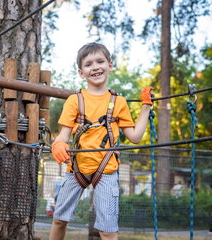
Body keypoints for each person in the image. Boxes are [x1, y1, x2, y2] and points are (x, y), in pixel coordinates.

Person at [49, 42, 153, 240]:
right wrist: (58, 144)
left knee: (107, 230)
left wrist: (146, 106)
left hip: (106, 170)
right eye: (89, 64)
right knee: (59, 220)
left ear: (110, 65)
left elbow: (135, 137)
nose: (95, 67)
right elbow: (64, 134)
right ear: (81, 72)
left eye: (100, 61)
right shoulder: (75, 100)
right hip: (77, 169)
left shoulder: (118, 102)